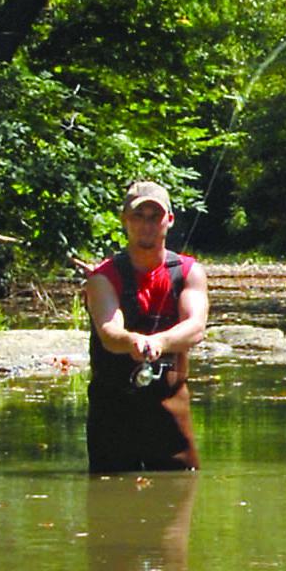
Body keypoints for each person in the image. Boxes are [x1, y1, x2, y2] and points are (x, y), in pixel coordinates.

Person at [84, 180, 209, 471]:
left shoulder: (190, 272)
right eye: (138, 216)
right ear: (124, 220)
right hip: (112, 410)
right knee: (109, 502)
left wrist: (160, 343)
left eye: (155, 216)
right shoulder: (103, 277)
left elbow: (195, 327)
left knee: (179, 490)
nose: (146, 225)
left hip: (170, 406)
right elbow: (109, 332)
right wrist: (133, 343)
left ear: (170, 220)